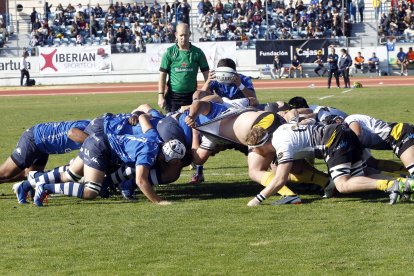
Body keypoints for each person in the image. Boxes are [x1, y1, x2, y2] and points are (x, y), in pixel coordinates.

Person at [32, 113, 185, 206]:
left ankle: (27, 184)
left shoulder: (154, 138)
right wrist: (158, 201)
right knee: (91, 191)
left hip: (99, 140)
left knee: (70, 175)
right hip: (101, 147)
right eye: (176, 161)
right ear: (169, 159)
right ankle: (45, 188)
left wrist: (151, 116)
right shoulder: (148, 154)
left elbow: (143, 117)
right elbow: (141, 181)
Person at [245, 122, 414, 206]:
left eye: (254, 150)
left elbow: (280, 179)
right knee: (362, 177)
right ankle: (405, 184)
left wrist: (257, 200)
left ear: (261, 145)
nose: (254, 153)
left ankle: (393, 185)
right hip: (338, 132)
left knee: (342, 185)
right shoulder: (280, 132)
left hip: (333, 139)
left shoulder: (282, 145)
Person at [3, 120, 90, 203]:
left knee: (31, 176)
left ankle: (19, 188)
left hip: (44, 147)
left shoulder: (96, 128)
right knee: (5, 174)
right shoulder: (92, 130)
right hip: (35, 139)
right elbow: (71, 132)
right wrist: (95, 143)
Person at [158, 23, 210, 112]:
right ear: (176, 35)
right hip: (173, 98)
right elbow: (162, 75)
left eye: (186, 35)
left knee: (191, 123)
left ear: (189, 34)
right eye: (181, 35)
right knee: (172, 123)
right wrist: (160, 96)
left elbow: (207, 75)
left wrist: (208, 92)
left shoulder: (198, 53)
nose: (183, 38)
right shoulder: (169, 52)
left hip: (192, 97)